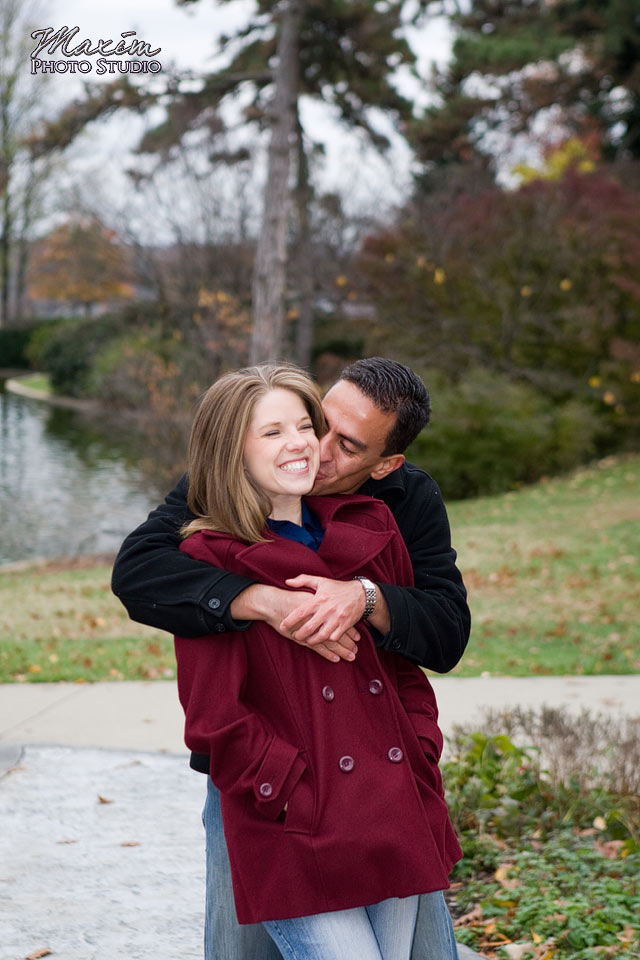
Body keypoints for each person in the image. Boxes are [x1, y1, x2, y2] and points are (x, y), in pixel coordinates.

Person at [112, 357, 471, 960]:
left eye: (346, 444)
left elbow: (444, 631)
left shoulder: (396, 505)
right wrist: (262, 600)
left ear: (384, 465)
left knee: (425, 952)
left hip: (380, 782)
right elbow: (140, 572)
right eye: (314, 421)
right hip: (275, 787)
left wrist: (363, 598)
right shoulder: (218, 501)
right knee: (242, 949)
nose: (315, 447)